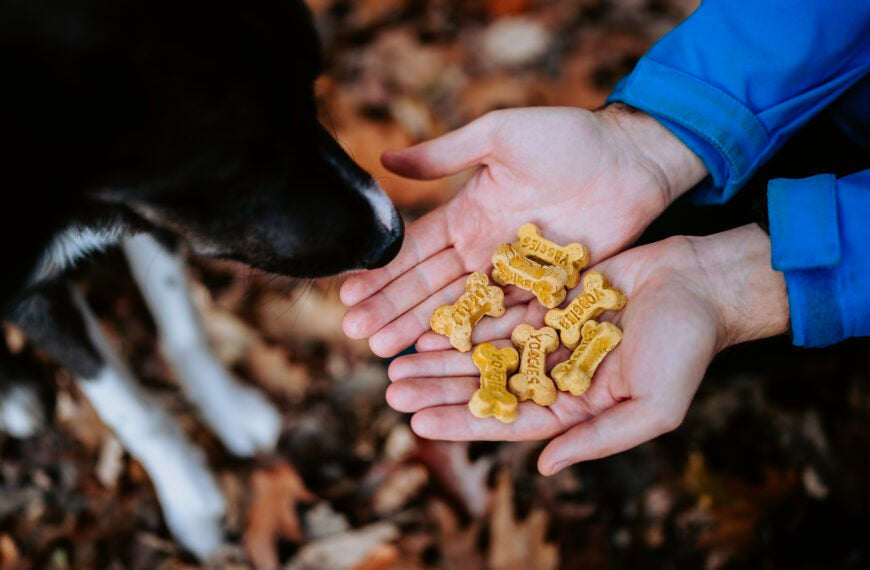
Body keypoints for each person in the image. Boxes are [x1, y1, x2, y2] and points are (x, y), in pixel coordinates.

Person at [340, 0, 870, 476]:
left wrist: (750, 289)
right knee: (426, 338)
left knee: (696, 328)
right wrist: (658, 134)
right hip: (819, 100)